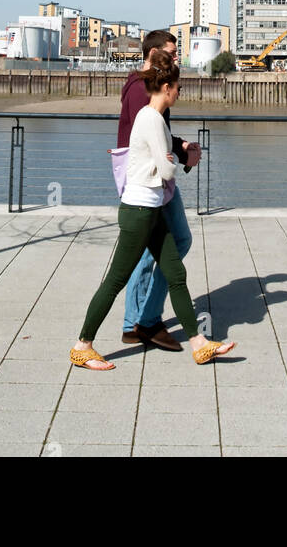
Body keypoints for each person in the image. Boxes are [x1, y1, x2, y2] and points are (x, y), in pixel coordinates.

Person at [71, 60, 236, 370]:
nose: (180, 93)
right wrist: (182, 163)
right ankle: (83, 345)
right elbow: (166, 168)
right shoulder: (152, 120)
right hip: (138, 211)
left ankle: (199, 344)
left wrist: (173, 161)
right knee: (116, 280)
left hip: (152, 207)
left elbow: (164, 163)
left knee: (175, 273)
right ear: (166, 88)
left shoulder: (154, 118)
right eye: (178, 88)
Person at [118, 29, 200, 351]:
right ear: (154, 55)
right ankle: (145, 320)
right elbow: (153, 136)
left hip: (151, 177)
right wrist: (181, 153)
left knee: (153, 247)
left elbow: (160, 132)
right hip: (148, 179)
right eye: (171, 52)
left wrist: (181, 147)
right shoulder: (142, 88)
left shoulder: (143, 84)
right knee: (174, 242)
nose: (177, 57)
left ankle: (134, 322)